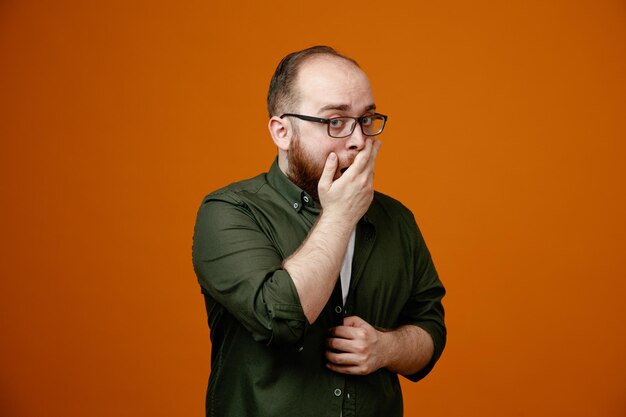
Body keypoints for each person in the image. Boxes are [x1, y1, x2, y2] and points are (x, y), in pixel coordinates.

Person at [192, 45, 446, 417]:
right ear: (282, 131)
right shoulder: (230, 212)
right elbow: (280, 318)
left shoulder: (397, 220)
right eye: (335, 122)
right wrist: (340, 216)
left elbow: (430, 329)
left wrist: (387, 348)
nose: (359, 140)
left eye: (367, 119)